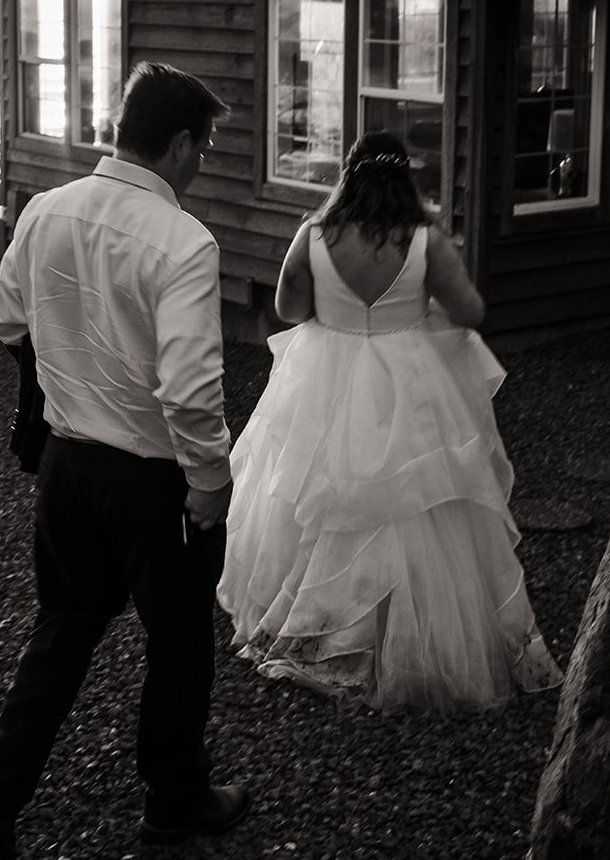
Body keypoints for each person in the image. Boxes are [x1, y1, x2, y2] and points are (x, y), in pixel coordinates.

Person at [0, 63, 251, 860]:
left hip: (66, 467)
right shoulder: (183, 240)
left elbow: (2, 319)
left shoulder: (47, 210)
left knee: (63, 627)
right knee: (180, 638)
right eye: (206, 145)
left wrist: (66, 366)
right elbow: (190, 388)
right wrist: (210, 481)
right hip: (154, 482)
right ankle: (174, 798)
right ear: (180, 142)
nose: (203, 162)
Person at [218, 131, 563, 715]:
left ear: (348, 177)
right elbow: (472, 312)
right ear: (406, 179)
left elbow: (288, 310)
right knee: (419, 503)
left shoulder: (314, 235)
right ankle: (413, 633)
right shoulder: (426, 241)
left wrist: (339, 305)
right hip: (411, 381)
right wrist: (417, 302)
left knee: (320, 496)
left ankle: (320, 628)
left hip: (327, 378)